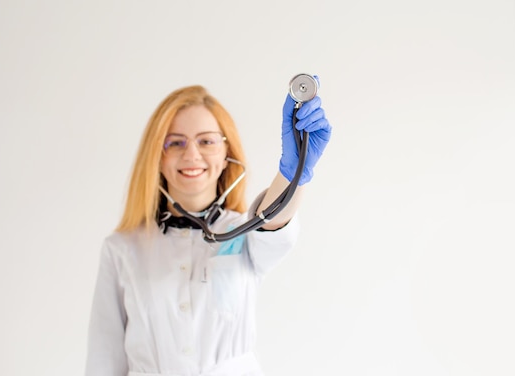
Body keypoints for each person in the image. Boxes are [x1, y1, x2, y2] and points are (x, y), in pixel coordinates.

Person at [85, 81, 331, 376]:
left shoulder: (244, 233)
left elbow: (273, 227)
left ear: (227, 152)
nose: (191, 155)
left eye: (206, 141)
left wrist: (292, 176)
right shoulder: (121, 250)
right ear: (157, 156)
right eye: (175, 142)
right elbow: (104, 359)